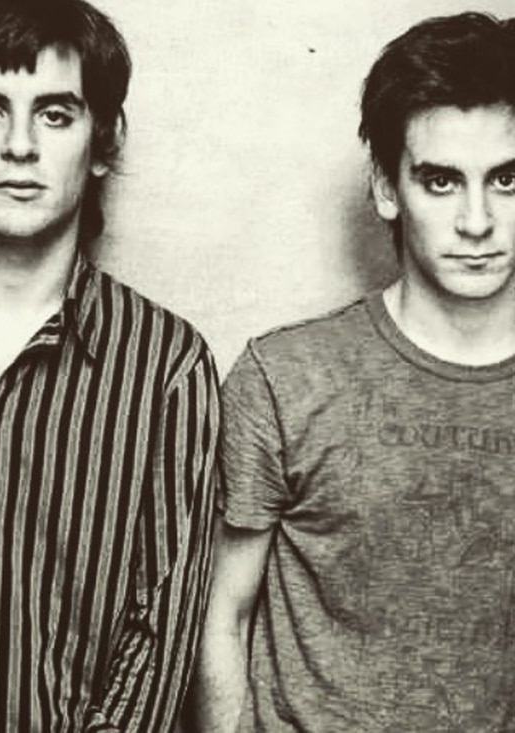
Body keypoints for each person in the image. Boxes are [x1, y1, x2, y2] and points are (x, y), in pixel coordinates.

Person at [192, 11, 515, 733]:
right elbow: (221, 614)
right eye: (441, 181)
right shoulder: (285, 378)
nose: (477, 220)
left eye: (507, 179)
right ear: (387, 189)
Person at [0, 0, 220, 731]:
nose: (20, 146)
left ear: (105, 140)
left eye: (55, 115)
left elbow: (157, 640)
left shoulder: (167, 368)